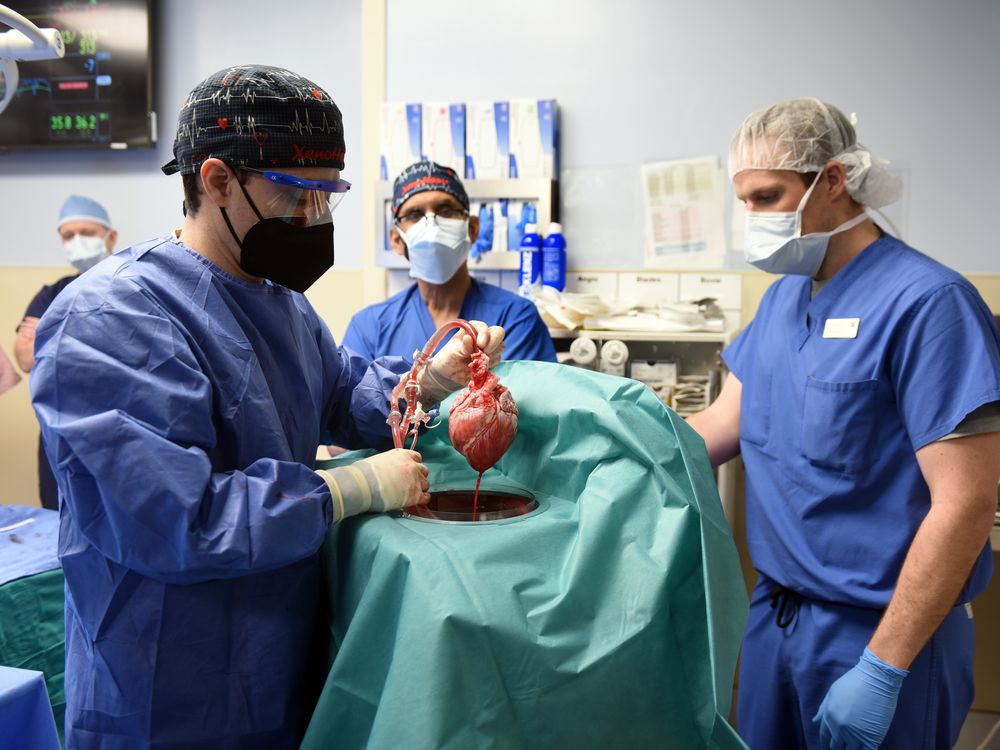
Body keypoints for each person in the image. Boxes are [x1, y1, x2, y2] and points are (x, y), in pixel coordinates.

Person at [29, 64, 504, 750]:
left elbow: (340, 393)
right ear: (217, 180)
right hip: (167, 694)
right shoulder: (108, 320)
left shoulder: (280, 303)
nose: (314, 218)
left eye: (327, 197)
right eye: (296, 194)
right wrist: (351, 487)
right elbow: (175, 519)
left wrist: (429, 381)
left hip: (277, 671)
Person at [687, 98, 1000, 750]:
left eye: (768, 196)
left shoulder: (930, 304)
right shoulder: (781, 302)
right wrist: (589, 427)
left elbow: (967, 503)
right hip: (778, 623)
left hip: (885, 637)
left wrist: (883, 668)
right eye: (743, 200)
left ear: (832, 180)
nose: (753, 220)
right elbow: (716, 427)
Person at [342, 160, 556, 364]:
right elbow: (357, 400)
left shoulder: (515, 318)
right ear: (397, 240)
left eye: (445, 211)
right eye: (415, 215)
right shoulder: (370, 328)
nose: (432, 225)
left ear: (472, 229)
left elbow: (524, 398)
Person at [14, 194, 117, 509]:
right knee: (59, 520)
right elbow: (27, 357)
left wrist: (50, 338)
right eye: (68, 236)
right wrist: (91, 341)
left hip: (116, 433)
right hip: (58, 436)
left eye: (86, 233)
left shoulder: (130, 285)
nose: (77, 241)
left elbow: (131, 356)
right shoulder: (52, 293)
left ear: (110, 237)